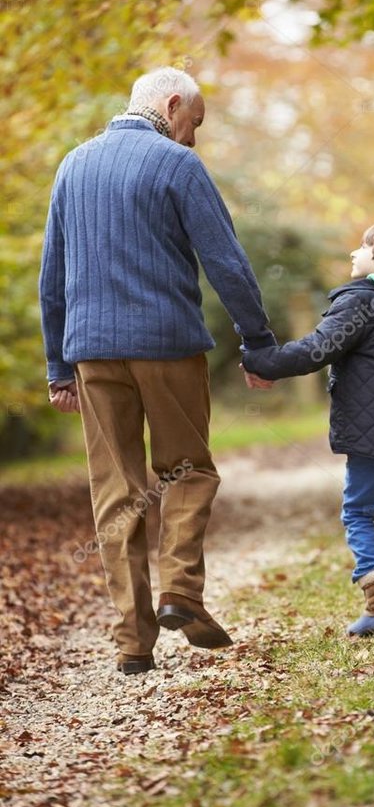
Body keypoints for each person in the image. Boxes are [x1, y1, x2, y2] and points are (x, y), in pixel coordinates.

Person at [39, 67, 275, 676]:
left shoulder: (73, 165)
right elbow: (226, 260)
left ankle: (132, 643)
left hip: (91, 351)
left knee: (115, 492)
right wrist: (258, 340)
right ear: (172, 105)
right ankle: (180, 590)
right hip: (167, 346)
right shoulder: (178, 166)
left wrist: (57, 367)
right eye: (193, 122)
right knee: (188, 470)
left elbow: (52, 279)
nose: (192, 137)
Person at [241, 221, 374, 643]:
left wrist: (262, 361)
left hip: (373, 438)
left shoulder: (360, 301)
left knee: (358, 513)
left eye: (364, 246)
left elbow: (317, 349)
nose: (354, 252)